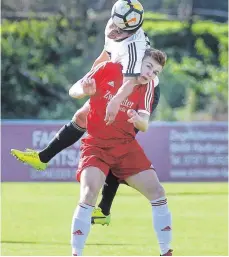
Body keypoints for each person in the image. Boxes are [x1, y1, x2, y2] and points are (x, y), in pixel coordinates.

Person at [11, 0, 160, 225]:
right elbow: (104, 55)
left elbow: (131, 83)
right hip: (118, 82)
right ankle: (43, 158)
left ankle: (104, 210)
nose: (117, 31)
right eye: (116, 27)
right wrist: (87, 78)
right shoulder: (113, 26)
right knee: (82, 117)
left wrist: (114, 103)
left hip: (138, 88)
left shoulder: (135, 46)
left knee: (115, 145)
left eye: (124, 30)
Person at [68, 48, 172, 256]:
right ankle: (76, 253)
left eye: (156, 71)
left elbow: (144, 124)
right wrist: (83, 92)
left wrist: (138, 119)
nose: (151, 73)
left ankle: (166, 252)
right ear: (137, 62)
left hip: (125, 147)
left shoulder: (148, 86)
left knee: (158, 193)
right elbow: (74, 90)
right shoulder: (108, 68)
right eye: (149, 66)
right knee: (89, 194)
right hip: (96, 146)